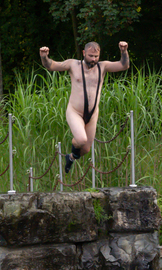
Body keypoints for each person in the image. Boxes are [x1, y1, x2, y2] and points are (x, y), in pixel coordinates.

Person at [39, 42, 130, 173]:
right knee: (81, 139)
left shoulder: (102, 67)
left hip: (92, 114)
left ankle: (70, 157)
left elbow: (124, 65)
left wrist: (124, 51)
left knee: (86, 149)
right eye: (91, 56)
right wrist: (44, 56)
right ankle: (74, 147)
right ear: (83, 53)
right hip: (75, 111)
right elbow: (51, 65)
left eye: (96, 56)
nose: (93, 59)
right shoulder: (72, 64)